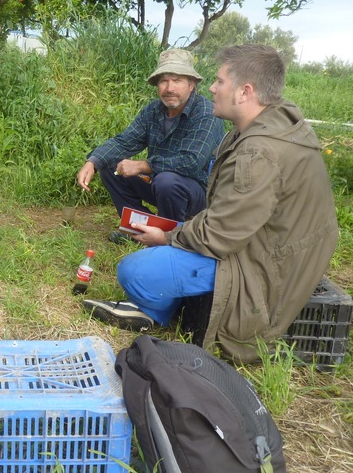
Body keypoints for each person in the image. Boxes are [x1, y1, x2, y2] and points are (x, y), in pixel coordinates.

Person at [83, 44, 339, 363]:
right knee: (159, 242)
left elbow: (219, 234)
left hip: (263, 268)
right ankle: (156, 301)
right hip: (258, 245)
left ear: (244, 91)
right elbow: (228, 221)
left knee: (135, 270)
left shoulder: (258, 153)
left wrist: (167, 236)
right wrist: (96, 161)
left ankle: (152, 307)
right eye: (164, 80)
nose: (213, 88)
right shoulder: (259, 130)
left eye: (218, 81)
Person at [77, 49, 224, 242]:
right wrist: (93, 162)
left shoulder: (206, 113)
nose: (169, 88)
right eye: (163, 81)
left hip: (198, 192)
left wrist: (141, 165)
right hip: (160, 182)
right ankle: (138, 230)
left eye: (177, 80)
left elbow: (191, 162)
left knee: (166, 181)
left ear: (191, 85)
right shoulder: (153, 111)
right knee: (111, 166)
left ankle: (172, 237)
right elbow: (124, 141)